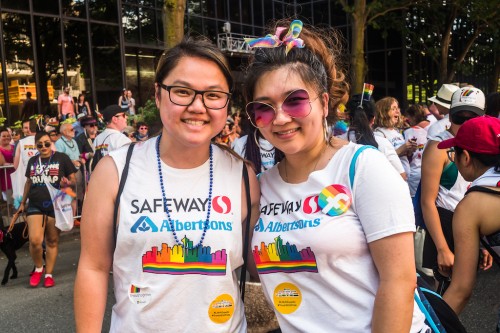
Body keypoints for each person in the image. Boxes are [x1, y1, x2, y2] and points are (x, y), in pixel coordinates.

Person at [244, 19, 427, 332]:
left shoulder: (362, 167)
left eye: (295, 101)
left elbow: (399, 282)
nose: (281, 118)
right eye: (264, 108)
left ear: (324, 102)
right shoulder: (262, 186)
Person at [74, 36, 260, 332]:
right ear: (158, 95)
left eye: (213, 95)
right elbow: (93, 268)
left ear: (227, 103)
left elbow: (262, 266)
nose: (198, 106)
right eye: (183, 91)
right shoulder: (114, 171)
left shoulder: (243, 176)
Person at [438, 116, 500, 329]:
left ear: (465, 157)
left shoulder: (471, 207)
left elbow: (461, 291)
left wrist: (427, 327)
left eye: (453, 152)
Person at [420, 87, 486, 281]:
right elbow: (428, 202)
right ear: (450, 116)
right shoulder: (438, 147)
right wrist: (442, 249)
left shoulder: (480, 145)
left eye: (472, 118)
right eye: (459, 117)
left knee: (464, 290)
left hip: (471, 227)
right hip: (446, 226)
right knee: (452, 294)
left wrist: (483, 242)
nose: (465, 124)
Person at [17, 131, 76, 288]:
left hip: (56, 206)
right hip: (35, 204)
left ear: (52, 143)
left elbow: (73, 181)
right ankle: (38, 268)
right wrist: (23, 202)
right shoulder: (32, 160)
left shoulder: (62, 158)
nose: (44, 147)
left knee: (52, 240)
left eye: (47, 143)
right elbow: (28, 182)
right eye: (40, 145)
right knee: (35, 240)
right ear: (36, 146)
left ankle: (49, 274)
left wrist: (67, 184)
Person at [342, 94, 406, 180]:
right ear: (373, 119)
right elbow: (402, 176)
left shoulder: (335, 141)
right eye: (393, 108)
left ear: (347, 117)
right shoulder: (382, 142)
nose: (397, 111)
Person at [374, 97, 417, 177]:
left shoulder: (397, 133)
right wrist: (402, 149)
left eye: (398, 108)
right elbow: (382, 159)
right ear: (384, 112)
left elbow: (405, 158)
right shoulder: (379, 134)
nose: (398, 111)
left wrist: (410, 151)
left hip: (405, 178)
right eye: (393, 109)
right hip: (392, 178)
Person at [403, 104, 430, 197]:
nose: (407, 120)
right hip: (427, 173)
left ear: (413, 116)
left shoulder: (407, 132)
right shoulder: (429, 131)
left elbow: (406, 155)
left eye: (408, 117)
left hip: (413, 174)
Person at [0, 127, 15, 204]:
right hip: (5, 178)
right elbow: (3, 163)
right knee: (10, 201)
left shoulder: (15, 147)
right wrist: (16, 164)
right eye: (3, 136)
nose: (6, 138)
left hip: (16, 176)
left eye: (8, 136)